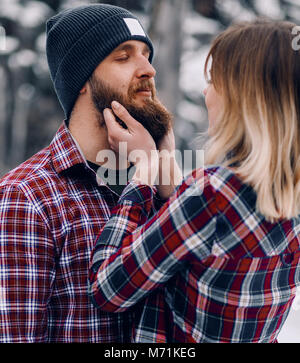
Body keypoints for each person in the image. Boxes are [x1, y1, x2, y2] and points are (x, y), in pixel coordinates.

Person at [89, 19, 300, 343]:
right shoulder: (287, 197)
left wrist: (145, 168)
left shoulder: (212, 194)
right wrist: (169, 171)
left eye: (214, 80)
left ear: (243, 97)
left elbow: (108, 288)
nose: (206, 92)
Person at [0, 4, 179, 343]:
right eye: (123, 57)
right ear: (81, 80)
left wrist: (167, 178)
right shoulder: (26, 198)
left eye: (146, 55)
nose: (148, 70)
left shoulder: (160, 185)